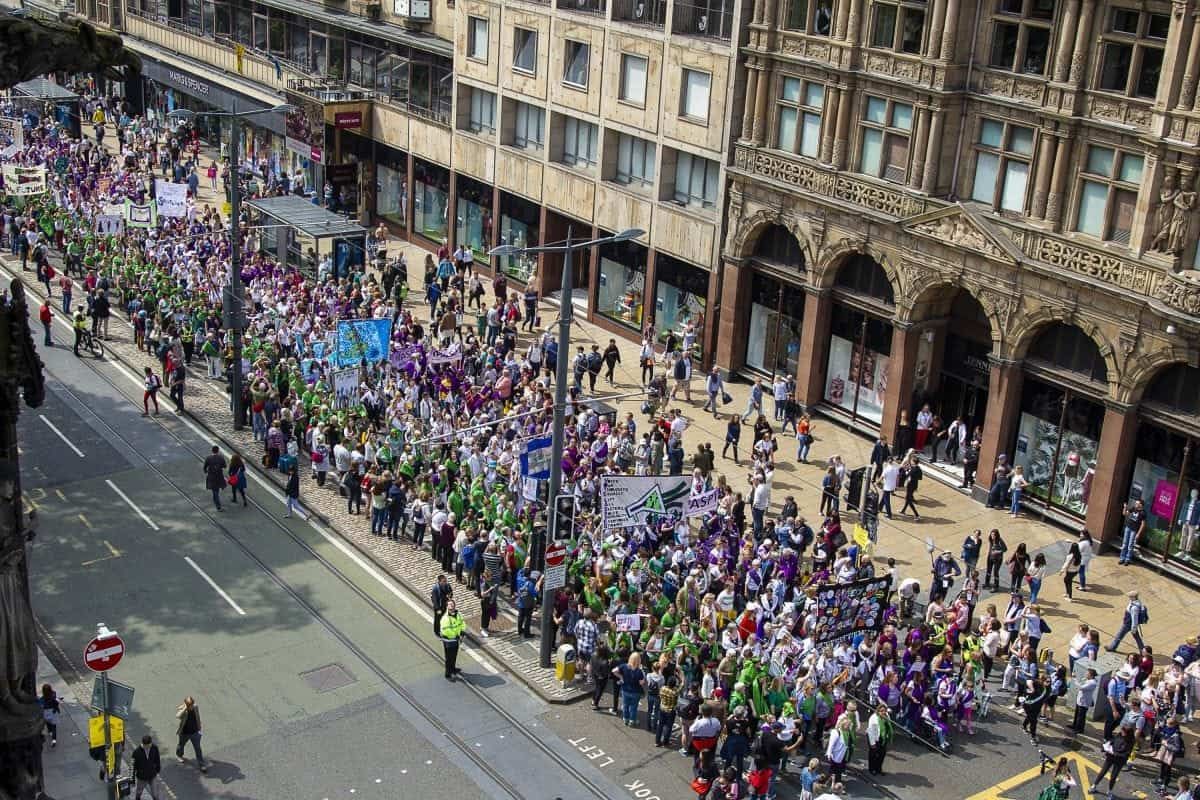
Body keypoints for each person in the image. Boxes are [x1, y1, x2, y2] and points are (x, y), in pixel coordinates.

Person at [1090, 722, 1134, 799]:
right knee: (1103, 771)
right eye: (1122, 730)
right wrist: (1106, 746)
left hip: (1119, 761)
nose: (1121, 732)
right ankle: (1094, 786)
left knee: (1113, 776)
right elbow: (1112, 741)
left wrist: (1114, 753)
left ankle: (1109, 791)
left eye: (1123, 731)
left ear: (1128, 733)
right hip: (1110, 757)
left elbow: (1126, 754)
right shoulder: (1119, 735)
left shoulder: (1130, 741)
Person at [613, 652, 646, 728]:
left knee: (625, 705)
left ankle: (625, 719)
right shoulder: (639, 671)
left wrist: (621, 677)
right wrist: (643, 675)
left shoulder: (624, 666)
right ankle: (632, 720)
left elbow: (614, 671)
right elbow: (641, 683)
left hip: (625, 690)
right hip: (635, 692)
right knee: (634, 707)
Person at [174, 696, 206, 772]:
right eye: (190, 706)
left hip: (195, 732)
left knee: (198, 748)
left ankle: (201, 764)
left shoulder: (195, 707)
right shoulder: (184, 711)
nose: (191, 707)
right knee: (181, 745)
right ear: (187, 705)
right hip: (184, 733)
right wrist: (185, 708)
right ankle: (179, 755)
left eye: (192, 705)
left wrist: (199, 728)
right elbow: (177, 716)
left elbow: (198, 717)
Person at [440, 599, 466, 680]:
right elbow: (446, 631)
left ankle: (453, 669)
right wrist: (456, 635)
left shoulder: (458, 614)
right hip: (449, 641)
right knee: (449, 657)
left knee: (454, 655)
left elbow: (462, 623)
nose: (451, 606)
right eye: (449, 605)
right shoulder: (445, 618)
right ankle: (448, 673)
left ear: (455, 606)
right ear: (447, 606)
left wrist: (462, 633)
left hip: (456, 639)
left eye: (452, 604)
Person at [132, 734, 162, 800]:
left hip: (152, 775)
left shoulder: (154, 748)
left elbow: (157, 759)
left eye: (149, 745)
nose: (148, 747)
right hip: (142, 777)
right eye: (146, 746)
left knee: (155, 794)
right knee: (139, 792)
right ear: (143, 744)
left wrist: (157, 769)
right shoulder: (136, 752)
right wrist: (132, 779)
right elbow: (132, 766)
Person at [866, 703, 893, 776]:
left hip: (883, 738)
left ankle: (878, 768)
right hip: (874, 737)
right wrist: (873, 743)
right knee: (873, 754)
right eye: (881, 711)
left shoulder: (887, 716)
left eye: (884, 711)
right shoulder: (873, 718)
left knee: (882, 754)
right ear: (877, 711)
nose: (883, 712)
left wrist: (887, 736)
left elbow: (888, 726)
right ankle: (872, 769)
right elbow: (871, 731)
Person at [1119, 498, 1146, 565]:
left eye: (1137, 503)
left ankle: (1127, 559)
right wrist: (1125, 507)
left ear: (1141, 505)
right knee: (1125, 543)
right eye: (1136, 503)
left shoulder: (1143, 513)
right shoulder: (1133, 508)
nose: (1135, 504)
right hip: (1128, 527)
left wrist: (1138, 534)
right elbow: (1124, 514)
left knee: (1130, 545)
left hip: (1134, 530)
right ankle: (1122, 558)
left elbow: (1143, 524)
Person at [1072, 668, 1098, 733]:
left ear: (1091, 675)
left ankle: (1079, 729)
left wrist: (1075, 679)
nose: (1086, 674)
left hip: (1084, 702)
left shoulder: (1092, 683)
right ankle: (1074, 725)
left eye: (1087, 673)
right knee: (1077, 714)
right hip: (1080, 700)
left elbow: (1081, 687)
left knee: (1081, 717)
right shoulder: (1088, 680)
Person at [203, 446, 226, 511]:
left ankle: (217, 503)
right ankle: (217, 504)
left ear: (212, 451)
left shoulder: (208, 458)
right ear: (218, 451)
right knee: (216, 490)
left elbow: (205, 467)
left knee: (214, 490)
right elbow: (224, 466)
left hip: (211, 476)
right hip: (219, 476)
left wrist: (206, 471)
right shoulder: (221, 458)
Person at [430, 574, 452, 638]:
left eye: (445, 581)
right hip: (438, 607)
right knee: (437, 619)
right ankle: (436, 631)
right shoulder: (435, 588)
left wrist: (449, 595)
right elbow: (434, 599)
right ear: (439, 582)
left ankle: (442, 629)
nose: (445, 582)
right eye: (443, 581)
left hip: (444, 605)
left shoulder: (447, 585)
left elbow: (450, 592)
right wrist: (437, 609)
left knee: (443, 618)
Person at [39, 684, 59, 748]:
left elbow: (41, 706)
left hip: (46, 712)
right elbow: (56, 702)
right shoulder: (54, 694)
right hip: (53, 711)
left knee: (48, 723)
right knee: (54, 726)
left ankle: (50, 732)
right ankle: (54, 740)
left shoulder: (42, 699)